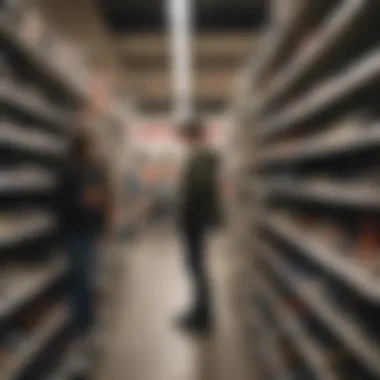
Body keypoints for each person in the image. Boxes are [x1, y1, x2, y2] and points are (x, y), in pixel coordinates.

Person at [57, 132, 111, 340]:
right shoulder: (70, 171)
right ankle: (82, 324)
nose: (94, 150)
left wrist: (100, 206)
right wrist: (87, 200)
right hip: (76, 232)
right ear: (82, 148)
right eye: (91, 146)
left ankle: (87, 321)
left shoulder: (93, 169)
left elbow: (103, 196)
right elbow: (68, 202)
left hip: (89, 230)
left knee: (87, 278)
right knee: (82, 279)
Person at [177, 117, 222, 333]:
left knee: (197, 267)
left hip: (196, 219)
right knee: (195, 266)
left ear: (193, 134)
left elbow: (199, 187)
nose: (183, 141)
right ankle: (197, 311)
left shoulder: (203, 156)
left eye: (185, 136)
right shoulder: (200, 155)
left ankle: (203, 318)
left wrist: (185, 206)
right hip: (195, 218)